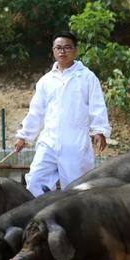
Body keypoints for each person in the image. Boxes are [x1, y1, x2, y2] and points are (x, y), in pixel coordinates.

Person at [14, 31, 111, 196]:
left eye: (67, 48)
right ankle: (38, 219)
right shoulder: (46, 81)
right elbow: (37, 111)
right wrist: (25, 136)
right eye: (58, 48)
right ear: (53, 50)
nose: (62, 52)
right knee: (36, 181)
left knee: (76, 188)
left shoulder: (87, 77)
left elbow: (97, 106)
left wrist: (99, 131)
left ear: (75, 51)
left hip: (75, 143)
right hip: (48, 142)